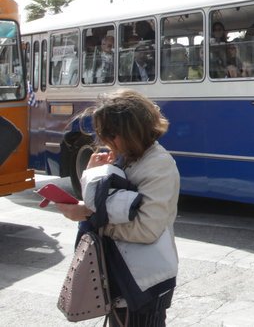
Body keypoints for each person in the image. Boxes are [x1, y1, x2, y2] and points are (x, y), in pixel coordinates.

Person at [55, 89, 179, 325]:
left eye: (110, 134)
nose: (104, 141)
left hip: (145, 281)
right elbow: (104, 204)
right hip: (123, 275)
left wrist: (92, 218)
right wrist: (92, 176)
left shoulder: (158, 165)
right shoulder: (126, 157)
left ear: (133, 130)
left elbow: (146, 229)